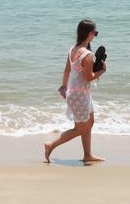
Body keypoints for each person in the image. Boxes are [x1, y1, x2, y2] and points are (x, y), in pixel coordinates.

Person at [44, 19, 106, 163]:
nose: (95, 36)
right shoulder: (88, 55)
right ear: (90, 34)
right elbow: (89, 77)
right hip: (80, 96)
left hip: (77, 93)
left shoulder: (73, 49)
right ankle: (50, 145)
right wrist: (102, 70)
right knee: (80, 129)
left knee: (90, 122)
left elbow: (67, 70)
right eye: (95, 33)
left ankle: (87, 155)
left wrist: (63, 86)